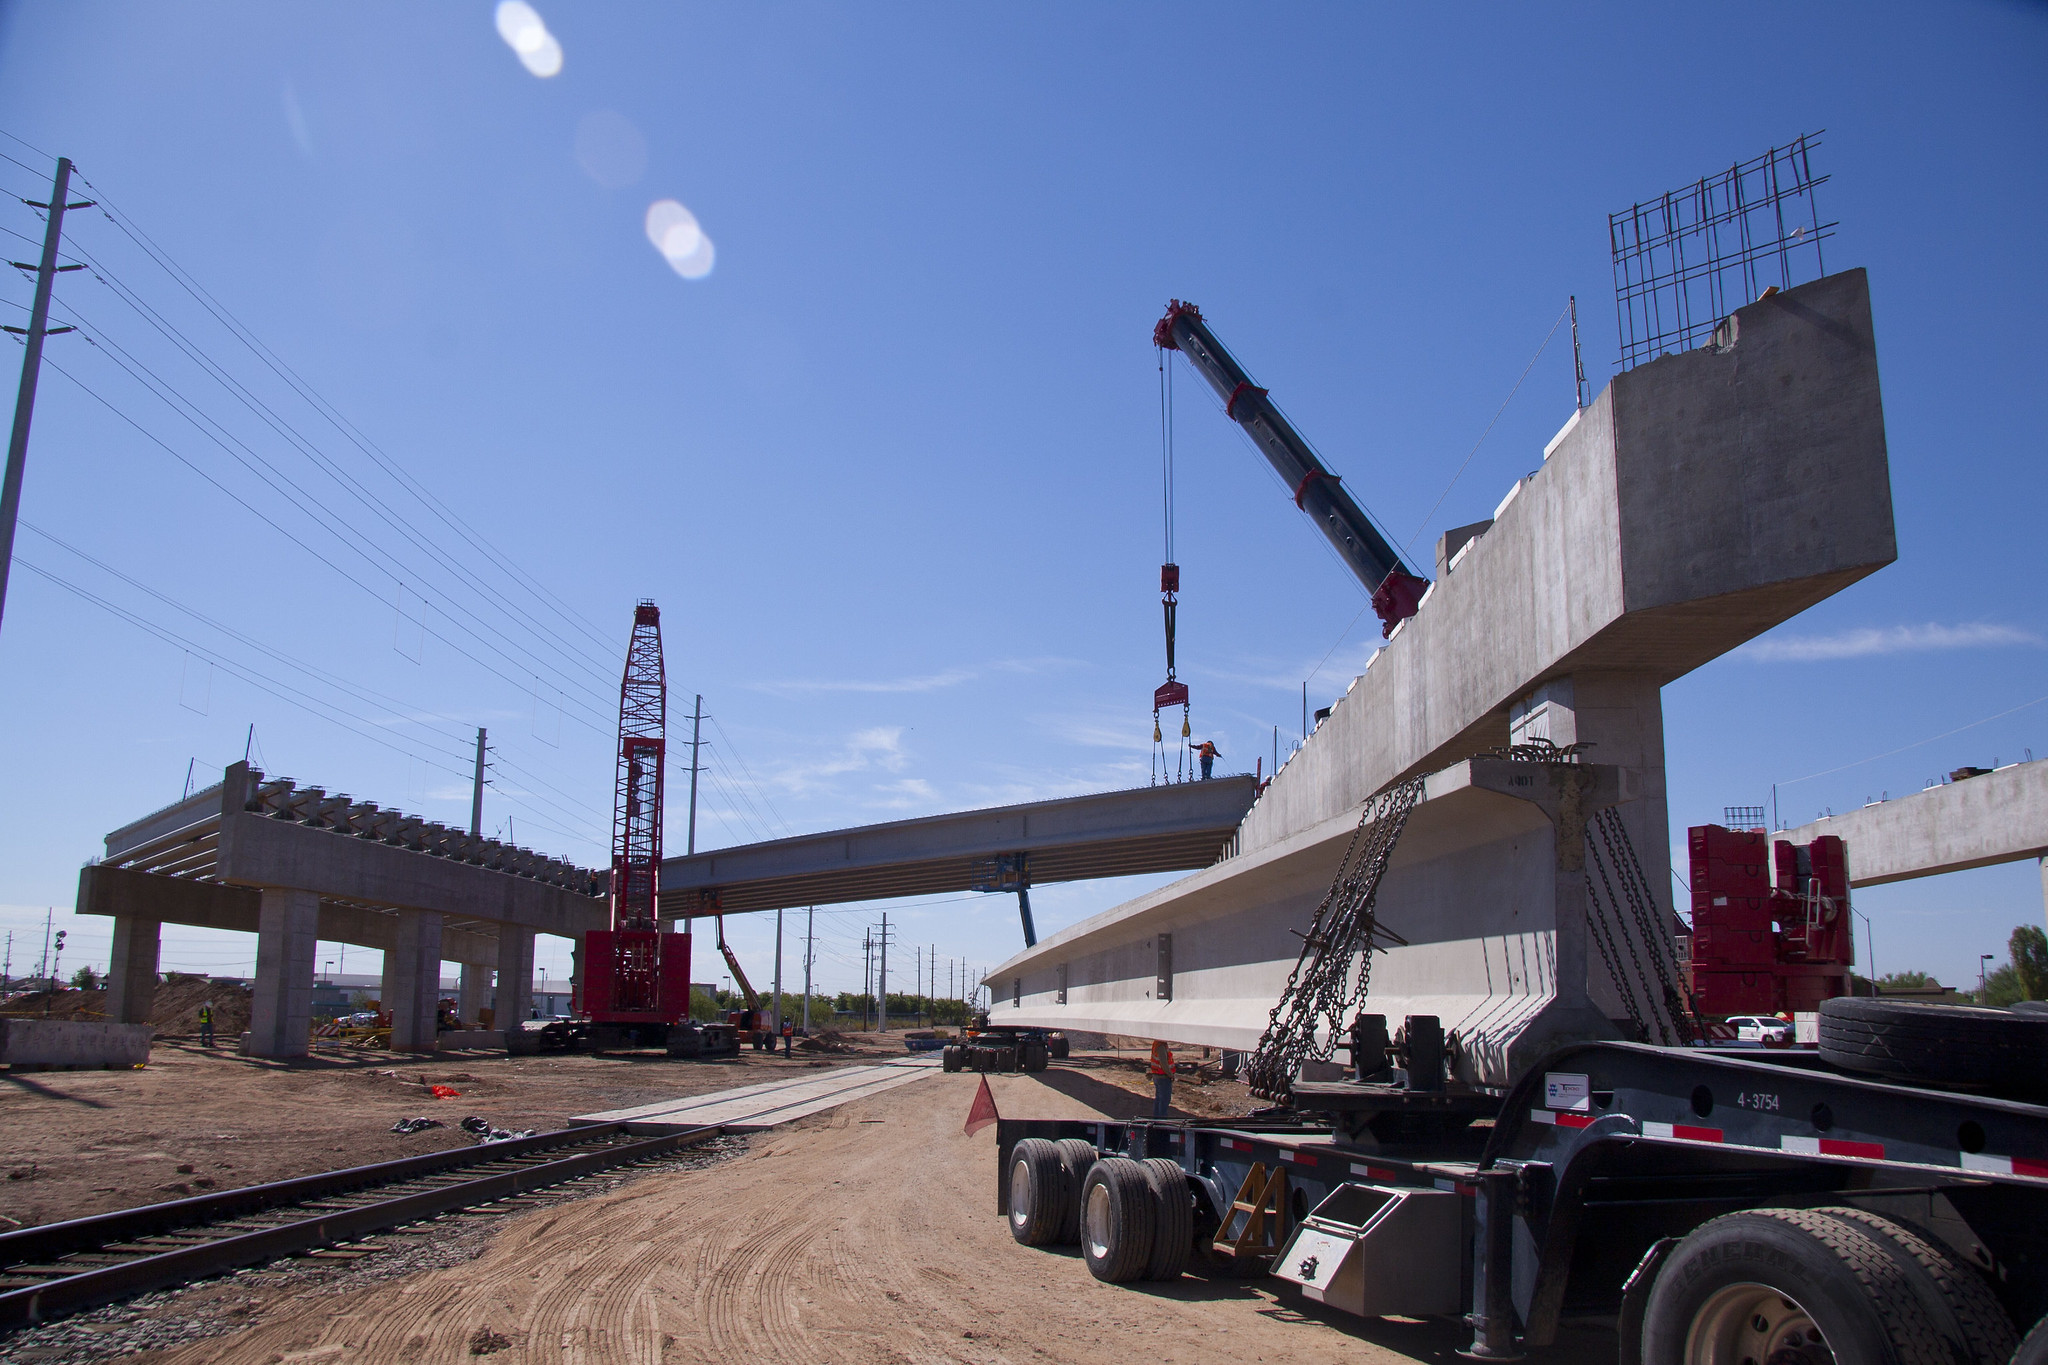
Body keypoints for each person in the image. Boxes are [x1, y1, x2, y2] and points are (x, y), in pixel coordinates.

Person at [1149, 1039, 1174, 1117]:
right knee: (1164, 1100)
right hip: (1163, 1077)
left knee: (1159, 1099)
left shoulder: (1157, 1043)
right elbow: (1164, 1064)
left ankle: (1156, 1120)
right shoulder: (1161, 1046)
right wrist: (1170, 1074)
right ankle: (1161, 1120)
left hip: (1157, 1076)